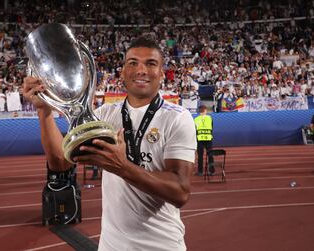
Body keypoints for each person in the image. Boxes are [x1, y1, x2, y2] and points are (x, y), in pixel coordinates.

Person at [23, 37, 197, 250]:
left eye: (150, 64)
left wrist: (123, 167)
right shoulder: (105, 114)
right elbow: (61, 162)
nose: (141, 70)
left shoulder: (178, 117)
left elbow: (180, 191)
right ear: (122, 72)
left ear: (162, 73)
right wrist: (44, 111)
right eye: (133, 63)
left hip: (162, 245)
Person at [194, 105, 214, 176]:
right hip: (208, 138)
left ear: (199, 111)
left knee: (200, 156)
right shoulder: (210, 118)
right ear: (205, 111)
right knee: (210, 155)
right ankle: (212, 171)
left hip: (200, 139)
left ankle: (200, 172)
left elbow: (195, 130)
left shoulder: (195, 119)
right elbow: (212, 127)